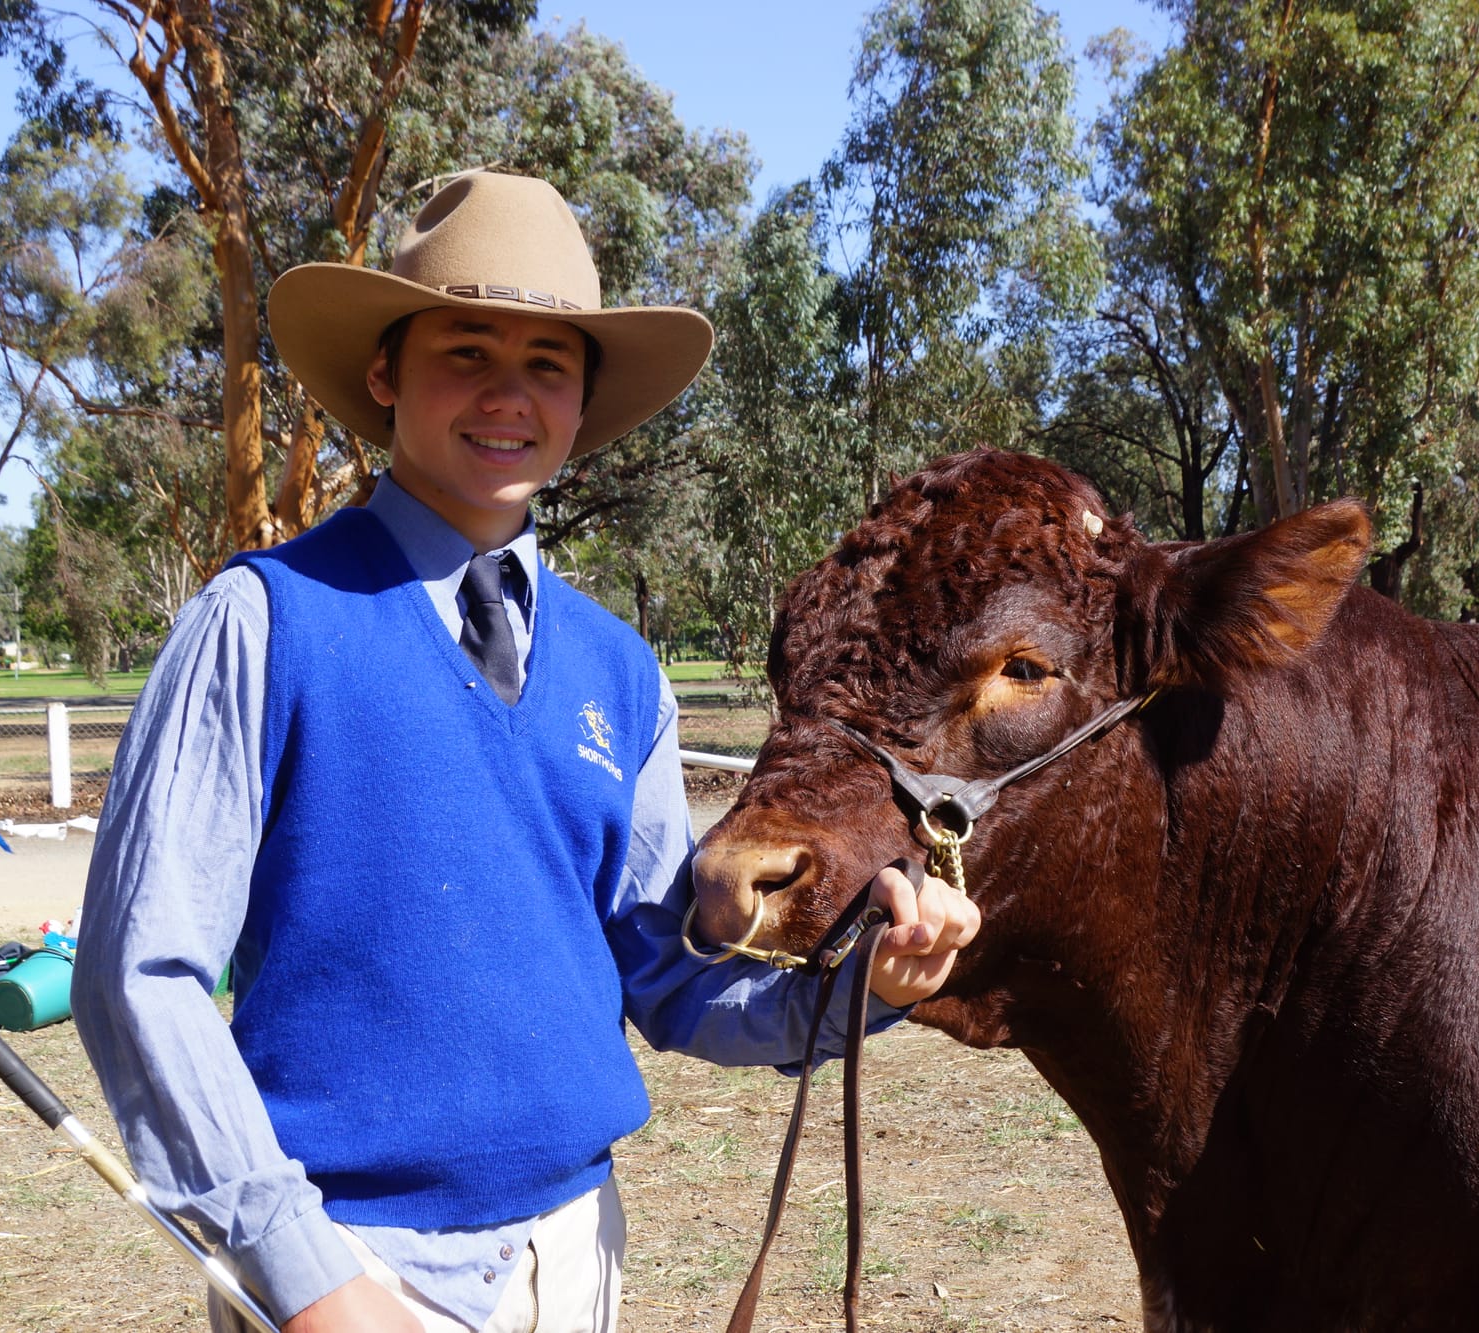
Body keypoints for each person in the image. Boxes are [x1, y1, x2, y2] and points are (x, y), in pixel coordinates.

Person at [70, 170, 977, 1333]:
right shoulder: (262, 621)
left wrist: (861, 990)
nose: (508, 395)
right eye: (465, 350)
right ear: (385, 372)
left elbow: (665, 975)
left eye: (547, 361)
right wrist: (303, 1272)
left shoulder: (618, 669)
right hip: (348, 1258)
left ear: (583, 397)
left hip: (572, 1255)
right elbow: (139, 973)